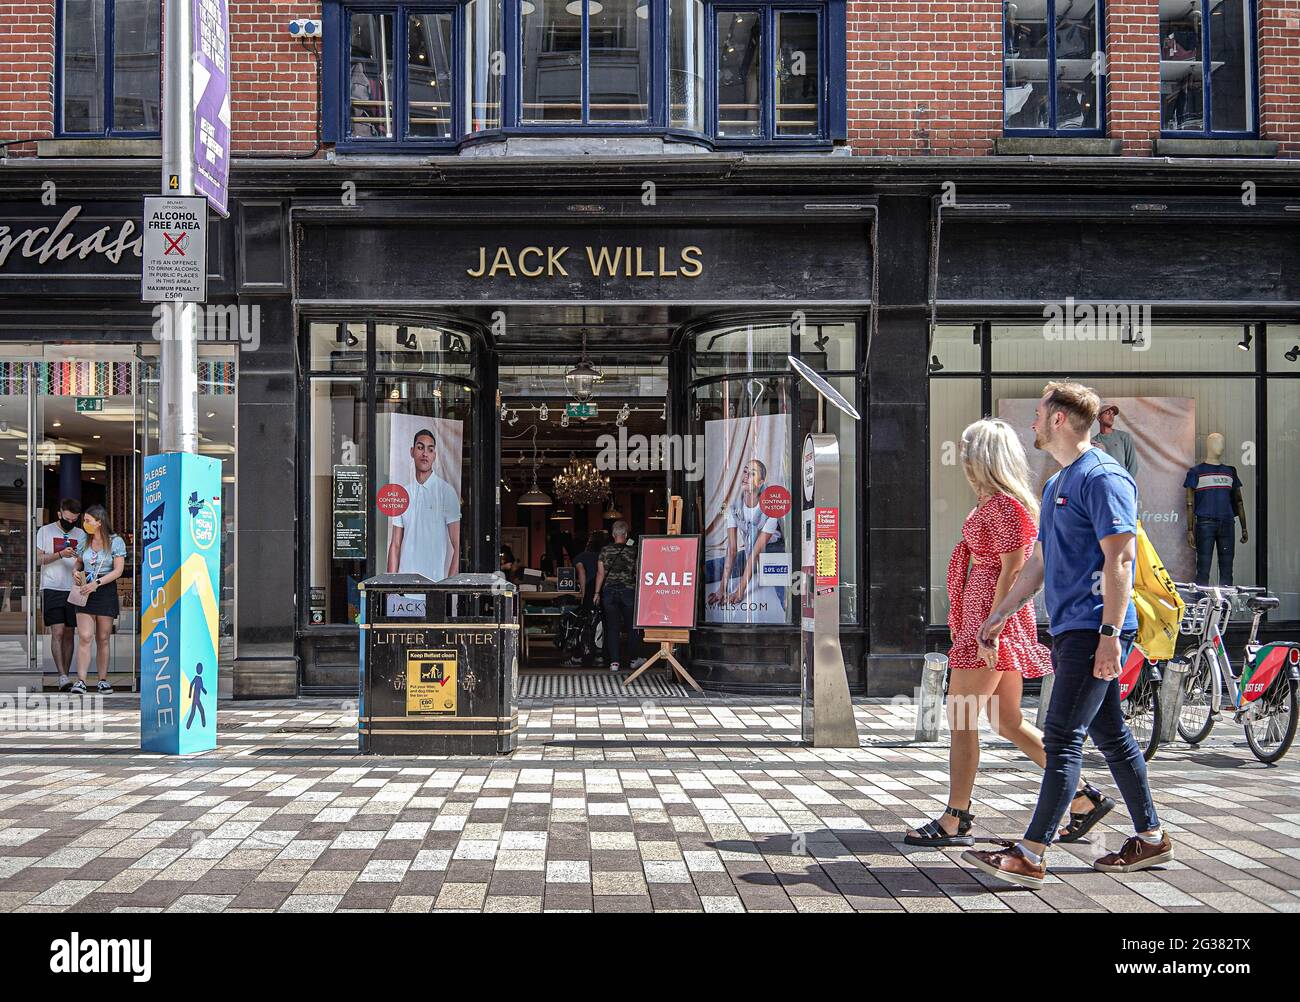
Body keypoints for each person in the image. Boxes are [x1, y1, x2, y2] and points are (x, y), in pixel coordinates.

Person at [962, 382, 1171, 889]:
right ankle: (1151, 837)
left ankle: (1032, 852)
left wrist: (1108, 635)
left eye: (1037, 414)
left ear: (1058, 420)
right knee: (1113, 736)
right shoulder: (1058, 483)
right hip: (1070, 626)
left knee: (1060, 735)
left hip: (1094, 628)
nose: (1030, 423)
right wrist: (1001, 614)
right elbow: (1038, 562)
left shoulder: (1102, 477)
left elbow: (1120, 558)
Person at [904, 420, 1113, 848]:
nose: (961, 459)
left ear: (982, 458)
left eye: (967, 451)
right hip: (990, 619)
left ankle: (955, 817)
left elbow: (1014, 567)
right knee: (1007, 720)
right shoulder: (1003, 505)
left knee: (962, 718)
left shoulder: (1005, 507)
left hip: (988, 623)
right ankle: (1082, 797)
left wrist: (991, 628)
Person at [708, 458, 784, 623]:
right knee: (711, 568)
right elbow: (732, 549)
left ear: (761, 482)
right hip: (751, 550)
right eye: (745, 471)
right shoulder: (733, 507)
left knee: (784, 594)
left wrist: (739, 590)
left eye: (752, 474)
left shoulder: (770, 506)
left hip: (772, 551)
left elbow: (757, 553)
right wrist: (722, 589)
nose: (746, 476)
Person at [387, 428, 461, 582]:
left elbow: (457, 545)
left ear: (434, 455)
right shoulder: (402, 494)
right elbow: (395, 544)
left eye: (430, 449)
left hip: (435, 585)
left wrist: (448, 586)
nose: (425, 453)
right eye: (420, 448)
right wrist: (390, 586)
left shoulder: (446, 492)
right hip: (404, 587)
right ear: (412, 452)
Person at [70, 504, 126, 695]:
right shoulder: (84, 540)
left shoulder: (115, 541)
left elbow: (118, 570)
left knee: (103, 638)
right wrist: (75, 572)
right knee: (85, 636)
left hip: (104, 589)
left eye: (87, 520)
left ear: (99, 522)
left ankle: (102, 680)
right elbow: (77, 563)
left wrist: (98, 583)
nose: (84, 524)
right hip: (85, 588)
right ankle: (81, 680)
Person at [35, 498, 87, 692]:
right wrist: (60, 554)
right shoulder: (45, 531)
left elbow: (86, 559)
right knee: (56, 631)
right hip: (52, 586)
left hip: (73, 587)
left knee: (69, 632)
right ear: (60, 514)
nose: (70, 523)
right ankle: (62, 676)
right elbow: (38, 559)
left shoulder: (81, 534)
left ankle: (66, 674)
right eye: (67, 519)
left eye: (74, 520)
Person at [593, 520, 637, 671]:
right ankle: (633, 660)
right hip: (628, 590)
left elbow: (600, 573)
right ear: (626, 534)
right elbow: (637, 571)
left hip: (609, 591)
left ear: (613, 535)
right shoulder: (633, 550)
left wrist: (597, 593)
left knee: (612, 628)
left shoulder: (605, 551)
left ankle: (614, 662)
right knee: (631, 627)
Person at [565, 531, 607, 668]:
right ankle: (602, 656)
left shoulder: (581, 557)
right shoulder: (605, 556)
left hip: (590, 590)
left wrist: (583, 593)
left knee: (586, 623)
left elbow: (582, 572)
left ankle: (580, 656)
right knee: (603, 623)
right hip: (605, 590)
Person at [1093, 403, 1139, 480]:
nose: (1111, 416)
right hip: (1103, 485)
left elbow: (1133, 465)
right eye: (1107, 413)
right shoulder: (1093, 441)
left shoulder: (1124, 437)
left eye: (1113, 414)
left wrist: (1126, 483)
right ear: (1099, 418)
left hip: (1122, 485)